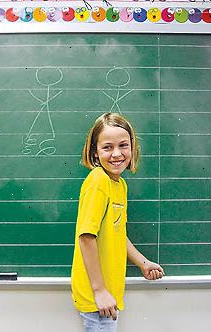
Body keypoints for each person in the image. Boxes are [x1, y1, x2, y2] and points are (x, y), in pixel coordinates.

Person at [71, 112, 164, 331]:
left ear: (133, 148)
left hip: (108, 293)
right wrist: (99, 291)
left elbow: (117, 232)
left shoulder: (119, 185)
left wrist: (143, 262)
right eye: (107, 147)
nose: (116, 154)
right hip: (97, 296)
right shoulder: (98, 181)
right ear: (95, 152)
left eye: (123, 145)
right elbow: (86, 237)